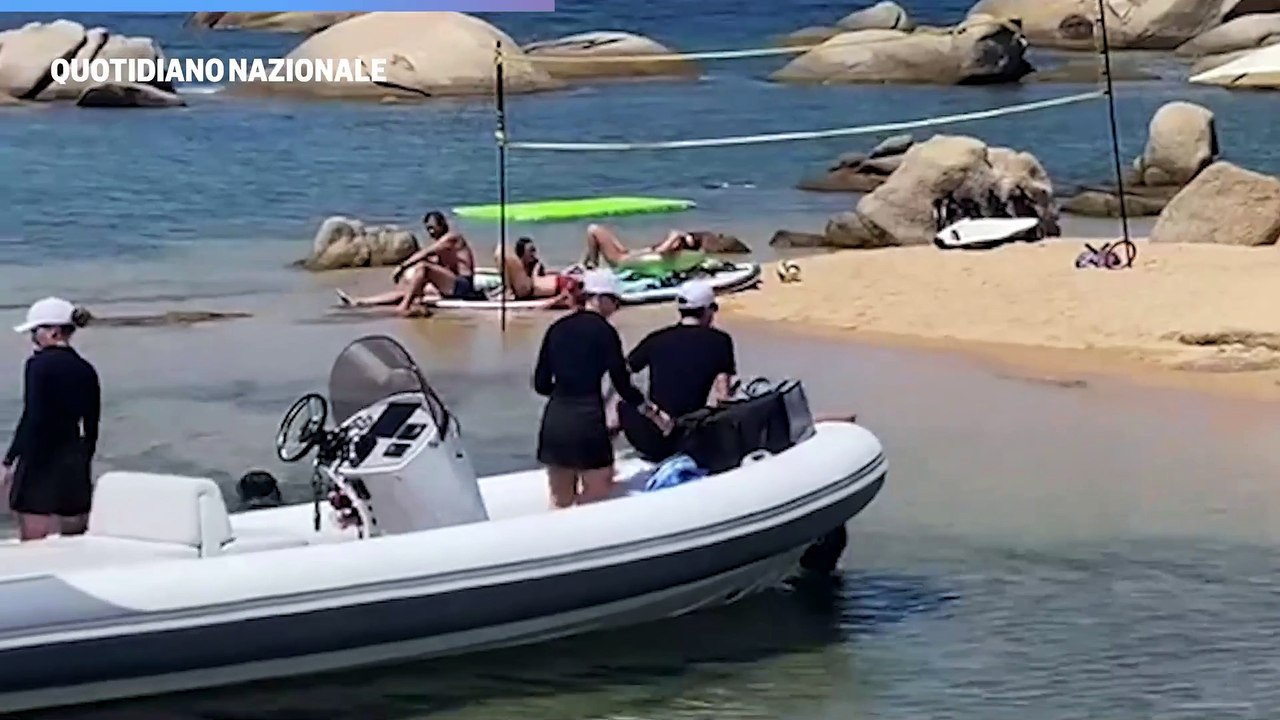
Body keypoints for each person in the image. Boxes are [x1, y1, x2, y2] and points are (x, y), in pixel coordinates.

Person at [532, 270, 672, 508]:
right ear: (599, 298)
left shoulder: (557, 328)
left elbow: (540, 383)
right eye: (615, 301)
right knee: (597, 498)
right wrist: (650, 411)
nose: (616, 308)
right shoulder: (605, 333)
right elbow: (622, 384)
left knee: (559, 502)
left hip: (554, 421)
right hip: (587, 422)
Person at [3, 297, 100, 541]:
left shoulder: (38, 365)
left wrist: (9, 459)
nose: (33, 338)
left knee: (34, 543)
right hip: (74, 460)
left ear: (54, 332)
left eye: (36, 332)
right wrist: (84, 457)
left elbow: (33, 416)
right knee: (74, 543)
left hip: (40, 460)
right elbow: (91, 424)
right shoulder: (86, 368)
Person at [616, 280, 736, 462]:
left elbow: (621, 371)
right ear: (707, 309)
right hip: (683, 436)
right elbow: (723, 397)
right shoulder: (720, 341)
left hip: (645, 436)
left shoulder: (656, 338)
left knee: (624, 401)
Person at [335, 210, 482, 315]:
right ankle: (360, 302)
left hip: (463, 286)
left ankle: (404, 307)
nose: (430, 232)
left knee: (424, 268)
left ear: (442, 224)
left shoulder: (452, 238)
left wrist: (402, 266)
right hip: (451, 286)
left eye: (433, 227)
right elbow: (437, 262)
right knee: (407, 290)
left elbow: (426, 253)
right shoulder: (441, 244)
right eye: (428, 229)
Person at [495, 237, 583, 309]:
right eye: (531, 250)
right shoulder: (525, 268)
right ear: (522, 253)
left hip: (530, 289)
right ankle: (507, 290)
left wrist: (544, 306)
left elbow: (563, 297)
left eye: (534, 250)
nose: (534, 253)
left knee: (501, 251)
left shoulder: (536, 266)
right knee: (501, 251)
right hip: (530, 288)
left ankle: (507, 291)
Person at [581, 223, 705, 274]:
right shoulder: (672, 253)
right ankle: (587, 263)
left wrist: (676, 236)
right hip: (624, 254)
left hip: (619, 260)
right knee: (600, 231)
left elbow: (660, 251)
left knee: (593, 230)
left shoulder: (669, 253)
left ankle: (593, 266)